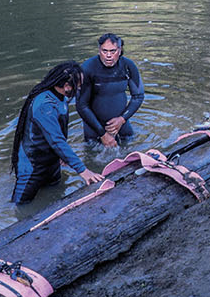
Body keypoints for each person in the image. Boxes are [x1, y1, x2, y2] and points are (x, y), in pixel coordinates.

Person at [10, 61, 102, 205]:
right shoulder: (45, 105)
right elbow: (56, 140)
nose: (79, 88)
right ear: (66, 86)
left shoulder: (61, 98)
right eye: (78, 85)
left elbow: (59, 131)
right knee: (20, 206)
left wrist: (62, 156)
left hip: (52, 163)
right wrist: (83, 170)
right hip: (32, 166)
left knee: (55, 194)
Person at [76, 33, 145, 150]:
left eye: (113, 51)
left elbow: (138, 96)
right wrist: (102, 134)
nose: (108, 55)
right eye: (104, 51)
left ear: (120, 50)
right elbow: (82, 105)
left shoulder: (128, 66)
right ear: (99, 50)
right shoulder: (88, 68)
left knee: (130, 150)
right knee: (92, 157)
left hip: (120, 124)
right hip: (93, 126)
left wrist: (122, 119)